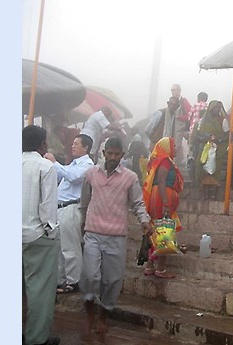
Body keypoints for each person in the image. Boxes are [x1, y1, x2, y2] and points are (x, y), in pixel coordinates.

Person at [79, 137, 152, 334]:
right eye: (109, 153)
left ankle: (103, 316)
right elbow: (84, 204)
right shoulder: (91, 174)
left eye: (116, 154)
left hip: (117, 236)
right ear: (103, 153)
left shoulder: (130, 177)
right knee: (90, 275)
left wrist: (144, 221)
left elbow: (137, 203)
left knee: (112, 280)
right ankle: (89, 315)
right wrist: (81, 226)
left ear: (122, 155)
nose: (112, 157)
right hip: (93, 233)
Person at [22, 125, 61, 345]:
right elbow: (47, 207)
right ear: (41, 143)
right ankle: (36, 338)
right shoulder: (45, 167)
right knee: (39, 292)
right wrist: (52, 232)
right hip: (37, 235)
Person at [44, 134, 94, 295]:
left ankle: (74, 280)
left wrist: (55, 163)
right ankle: (61, 279)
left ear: (85, 148)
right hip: (60, 208)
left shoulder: (87, 165)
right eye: (73, 143)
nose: (72, 146)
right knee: (59, 247)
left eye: (76, 143)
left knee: (70, 247)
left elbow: (72, 177)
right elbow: (61, 176)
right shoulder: (72, 163)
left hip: (71, 208)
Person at [142, 137, 185, 278]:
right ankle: (160, 268)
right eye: (173, 145)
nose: (176, 147)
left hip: (158, 198)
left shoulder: (160, 160)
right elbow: (161, 181)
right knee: (164, 231)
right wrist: (166, 202)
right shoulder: (165, 161)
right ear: (167, 147)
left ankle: (149, 266)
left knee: (156, 231)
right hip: (161, 200)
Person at [192, 100, 229, 200]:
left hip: (217, 150)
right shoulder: (202, 121)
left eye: (218, 108)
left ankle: (213, 194)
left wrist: (217, 140)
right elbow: (197, 135)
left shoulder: (223, 121)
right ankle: (205, 193)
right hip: (204, 150)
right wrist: (206, 138)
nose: (217, 110)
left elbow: (227, 135)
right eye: (215, 108)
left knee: (215, 171)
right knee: (203, 171)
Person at [145, 96, 188, 166]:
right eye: (171, 104)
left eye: (174, 105)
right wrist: (154, 138)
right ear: (168, 103)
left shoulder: (175, 117)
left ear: (178, 106)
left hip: (167, 150)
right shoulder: (160, 113)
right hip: (156, 146)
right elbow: (148, 130)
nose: (172, 106)